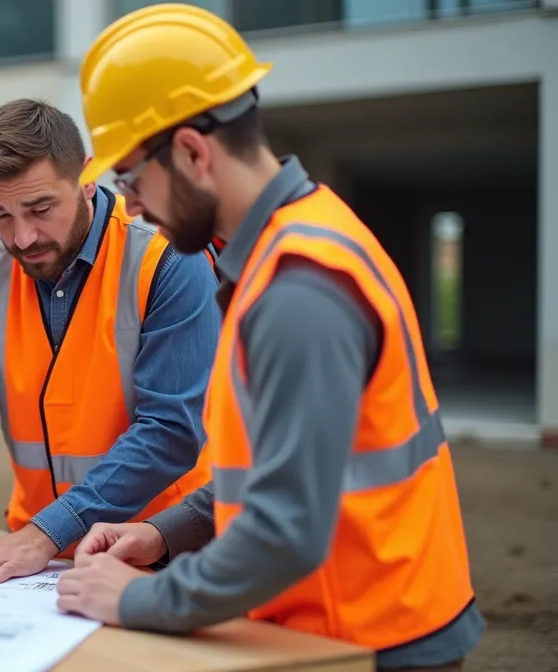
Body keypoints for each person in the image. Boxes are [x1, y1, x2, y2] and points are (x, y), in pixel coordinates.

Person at [56, 5, 484, 670]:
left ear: (194, 152)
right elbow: (272, 467)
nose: (131, 206)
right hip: (364, 622)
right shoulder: (299, 236)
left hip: (371, 640)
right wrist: (160, 533)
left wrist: (137, 599)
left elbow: (283, 533)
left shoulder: (297, 291)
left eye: (131, 180)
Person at [0, 98, 222, 585]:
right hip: (35, 560)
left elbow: (169, 430)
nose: (22, 237)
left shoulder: (168, 258)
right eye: (0, 214)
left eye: (40, 208)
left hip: (162, 551)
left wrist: (44, 534)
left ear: (85, 177)